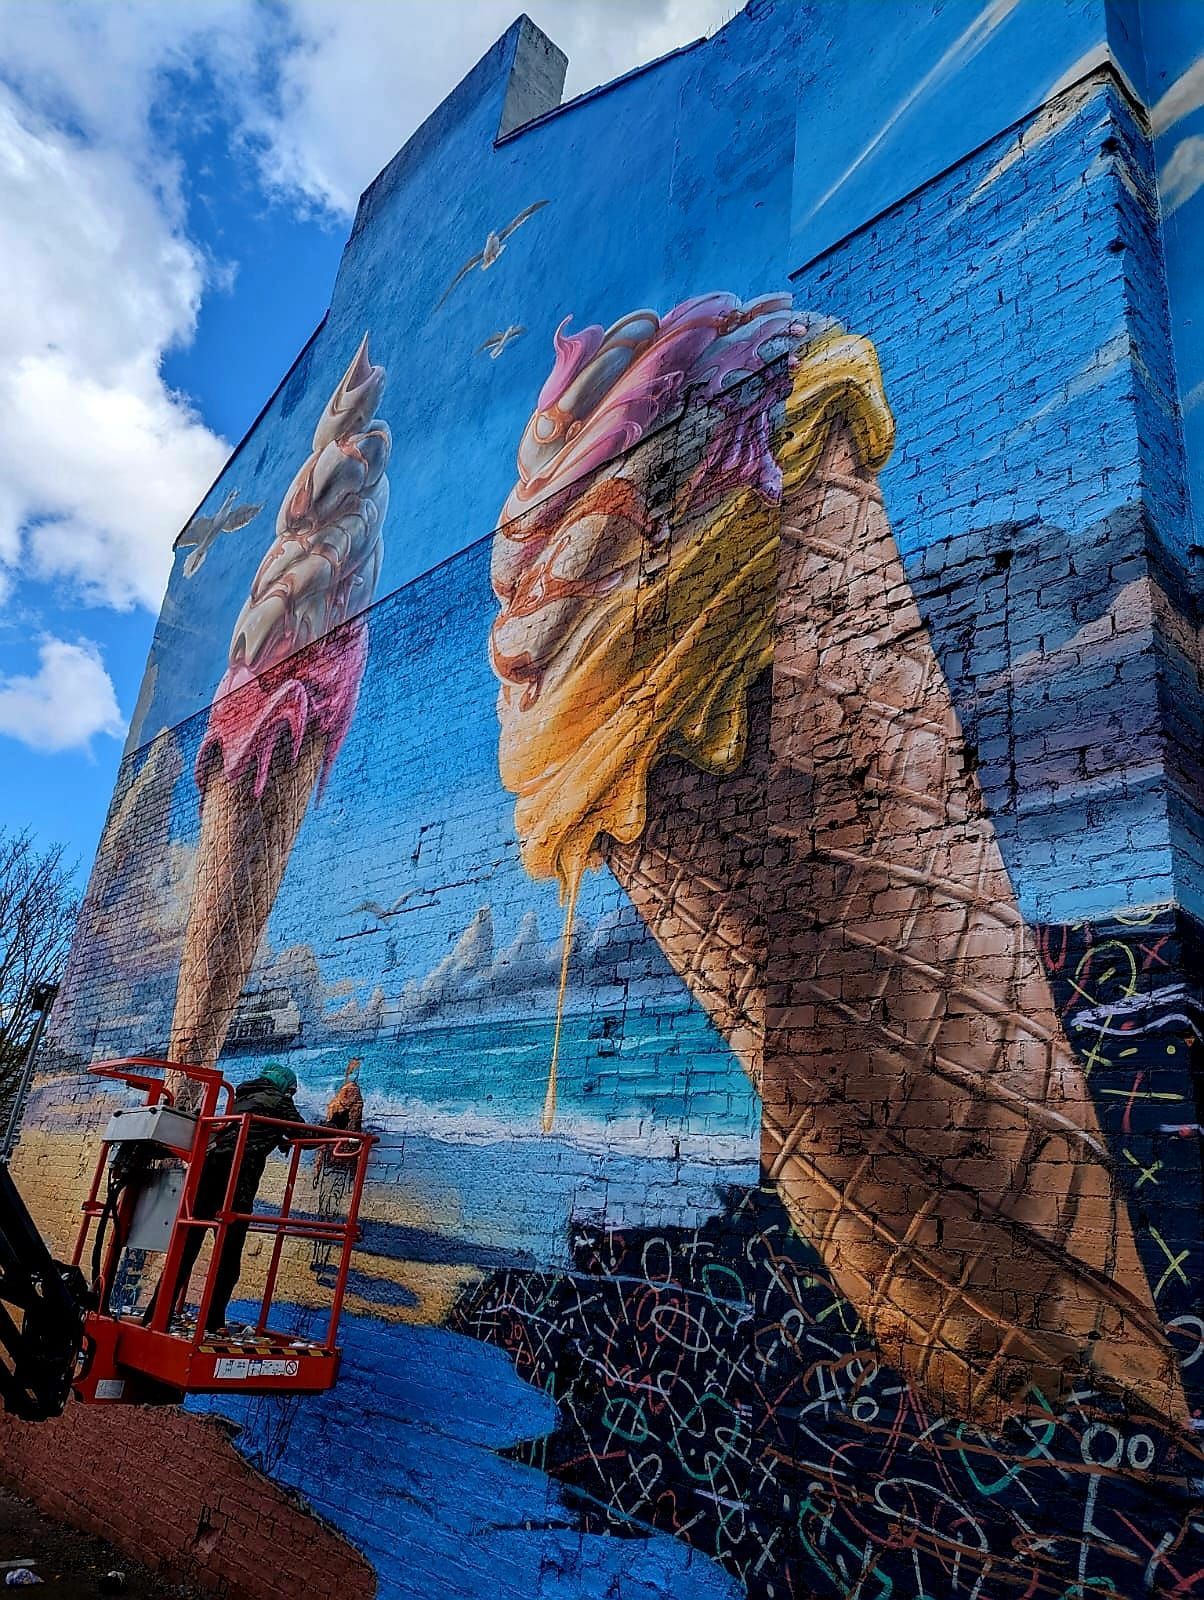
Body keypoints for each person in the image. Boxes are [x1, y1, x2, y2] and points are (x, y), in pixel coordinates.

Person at [151, 1060, 304, 1333]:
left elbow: (249, 1131)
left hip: (208, 1173)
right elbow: (302, 1131)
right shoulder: (277, 1100)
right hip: (236, 1180)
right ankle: (212, 1321)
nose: (290, 1096)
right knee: (228, 1257)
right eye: (291, 1091)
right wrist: (337, 1124)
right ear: (284, 1086)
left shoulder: (241, 1098)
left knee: (185, 1250)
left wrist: (274, 1135)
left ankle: (155, 1313)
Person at [312, 1058, 364, 1269]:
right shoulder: (353, 1107)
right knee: (330, 1209)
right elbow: (352, 1139)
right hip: (339, 1162)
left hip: (331, 1161)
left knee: (325, 1208)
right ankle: (320, 1256)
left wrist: (317, 1165)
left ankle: (319, 1256)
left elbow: (326, 1140)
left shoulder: (334, 1106)